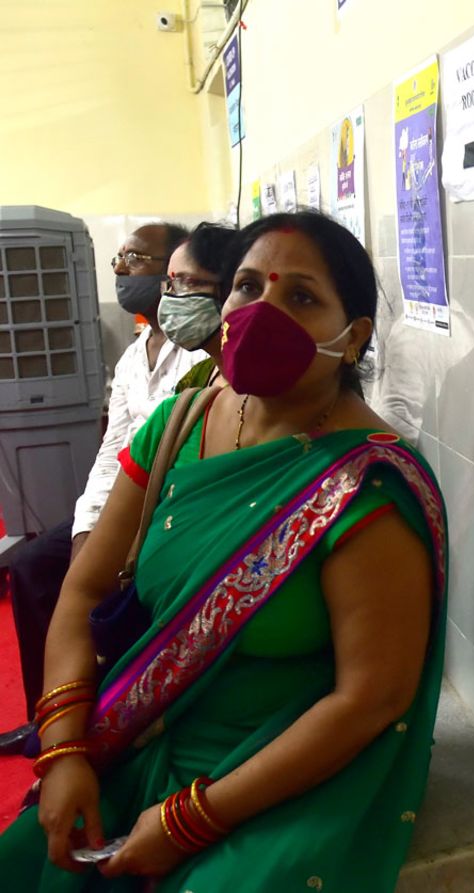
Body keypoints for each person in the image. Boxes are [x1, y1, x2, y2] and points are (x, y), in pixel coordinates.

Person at [0, 211, 448, 891]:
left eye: (300, 296)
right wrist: (63, 752)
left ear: (352, 338)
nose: (261, 309)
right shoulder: (177, 424)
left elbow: (369, 698)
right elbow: (83, 592)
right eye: (246, 286)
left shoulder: (366, 486)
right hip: (143, 736)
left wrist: (189, 819)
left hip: (282, 769)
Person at [1, 223, 198, 756]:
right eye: (119, 257)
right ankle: (51, 715)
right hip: (119, 501)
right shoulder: (137, 354)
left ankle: (110, 720)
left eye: (134, 258)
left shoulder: (202, 359)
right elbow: (112, 454)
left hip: (169, 508)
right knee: (33, 566)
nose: (119, 269)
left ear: (169, 276)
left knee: (123, 590)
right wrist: (88, 529)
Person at [161, 222, 239, 391]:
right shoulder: (193, 381)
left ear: (231, 286)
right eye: (170, 284)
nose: (169, 298)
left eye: (187, 282)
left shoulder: (272, 390)